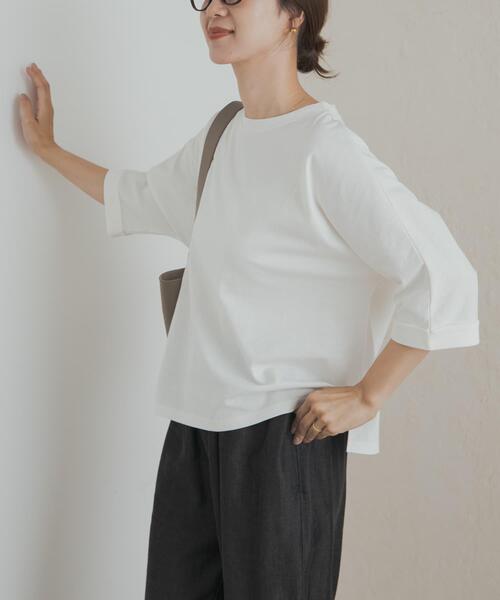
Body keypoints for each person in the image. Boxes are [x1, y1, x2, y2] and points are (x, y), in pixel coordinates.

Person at [18, 1, 480, 598]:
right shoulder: (224, 136)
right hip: (193, 427)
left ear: (294, 15)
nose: (214, 8)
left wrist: (370, 395)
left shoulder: (323, 147)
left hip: (283, 438)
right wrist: (47, 149)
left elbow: (442, 274)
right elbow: (135, 197)